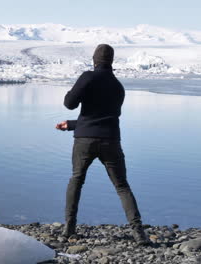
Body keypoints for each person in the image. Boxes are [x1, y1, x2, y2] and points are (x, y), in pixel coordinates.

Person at [56, 44, 150, 246]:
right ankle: (138, 233)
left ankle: (69, 229)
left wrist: (70, 94)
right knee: (122, 186)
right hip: (111, 141)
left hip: (85, 141)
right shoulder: (118, 86)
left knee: (76, 179)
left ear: (94, 59)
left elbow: (69, 103)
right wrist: (71, 125)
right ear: (112, 61)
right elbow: (105, 115)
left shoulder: (88, 77)